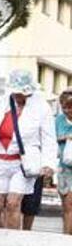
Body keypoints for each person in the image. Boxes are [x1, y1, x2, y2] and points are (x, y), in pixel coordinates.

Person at [0, 70, 58, 231]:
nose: (20, 96)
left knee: (13, 203)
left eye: (23, 93)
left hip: (22, 163)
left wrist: (49, 164)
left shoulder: (41, 107)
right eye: (17, 92)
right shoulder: (0, 103)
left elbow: (49, 138)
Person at [56, 90, 72, 234]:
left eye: (70, 107)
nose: (68, 110)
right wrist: (65, 137)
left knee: (70, 205)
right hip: (64, 168)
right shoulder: (59, 120)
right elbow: (51, 138)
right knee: (66, 206)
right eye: (65, 107)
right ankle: (66, 238)